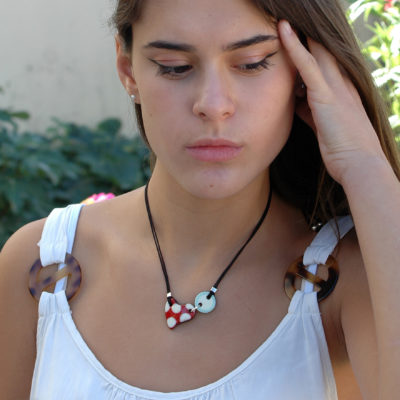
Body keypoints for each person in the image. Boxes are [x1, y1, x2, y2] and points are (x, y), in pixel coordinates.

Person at [1, 0, 399, 398]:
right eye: (175, 67)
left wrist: (364, 166)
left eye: (252, 63)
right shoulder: (43, 267)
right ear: (128, 70)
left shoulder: (349, 280)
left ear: (304, 74)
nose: (213, 105)